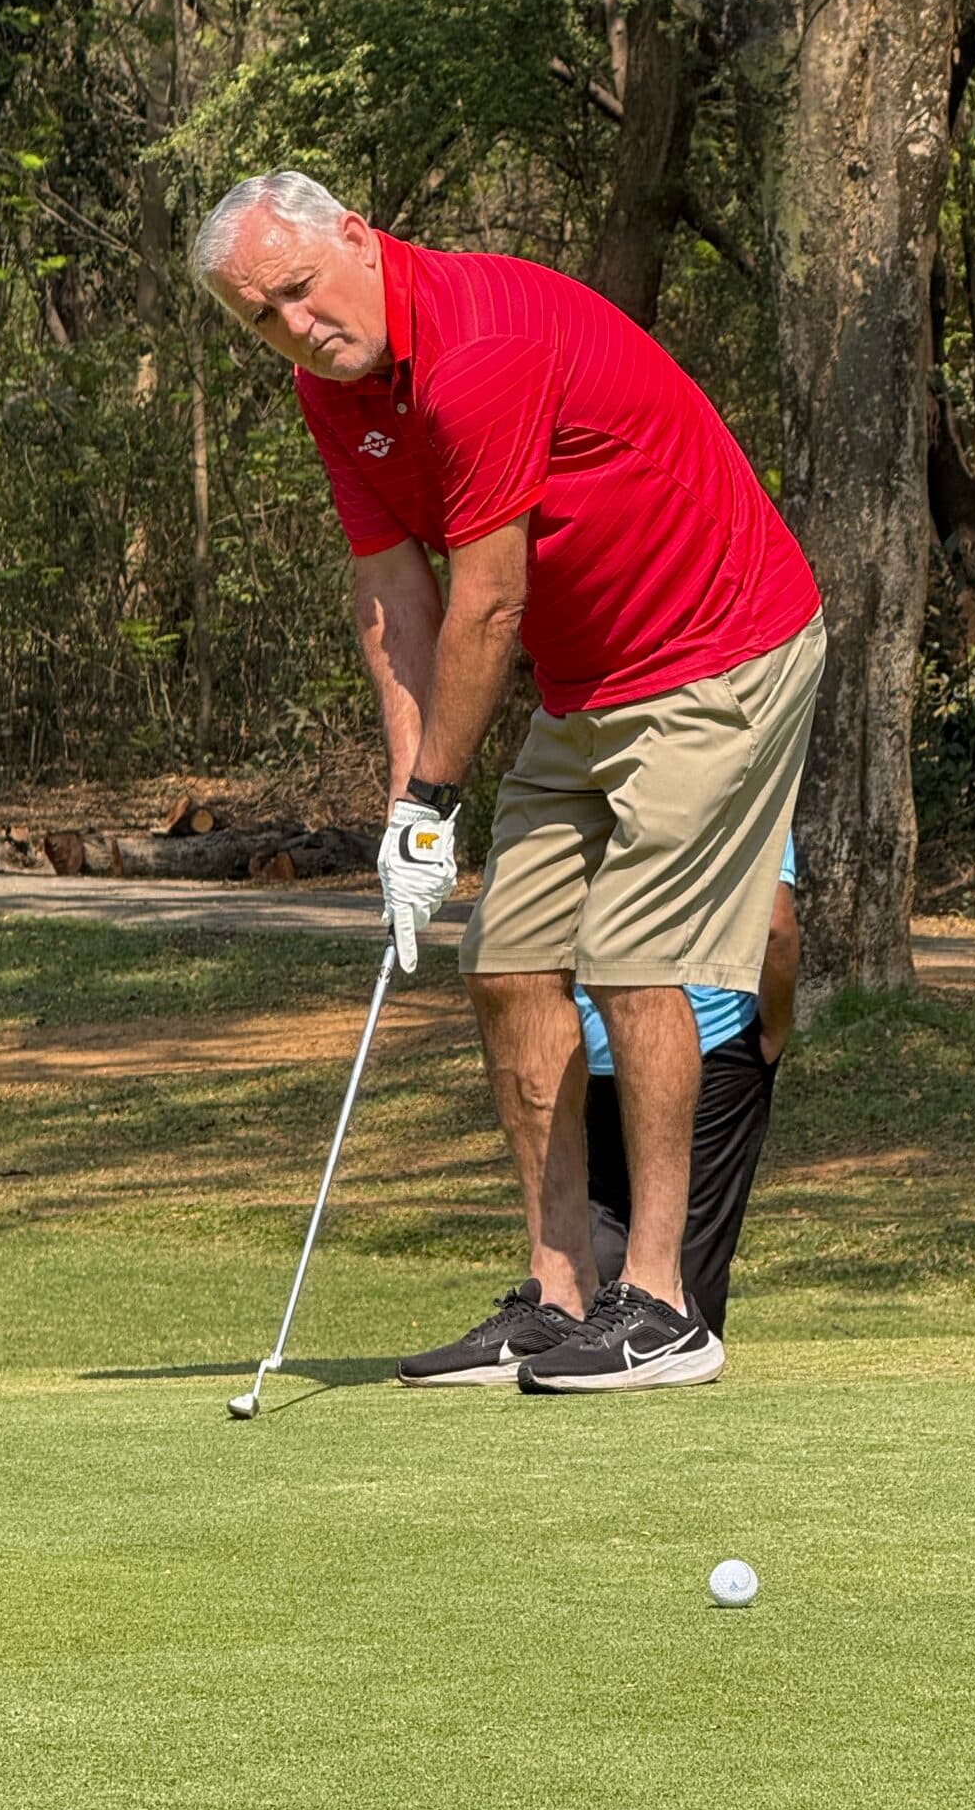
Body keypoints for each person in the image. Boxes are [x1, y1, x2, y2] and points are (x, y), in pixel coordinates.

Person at [194, 170, 824, 1395]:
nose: (297, 327)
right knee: (511, 961)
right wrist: (405, 809)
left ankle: (662, 1305)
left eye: (300, 290)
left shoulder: (480, 342)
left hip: (719, 646)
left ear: (358, 243)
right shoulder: (337, 394)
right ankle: (558, 1294)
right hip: (590, 682)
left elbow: (490, 599)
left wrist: (438, 795)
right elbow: (396, 593)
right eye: (261, 317)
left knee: (638, 959)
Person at [583, 840, 797, 1340]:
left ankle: (591, 1355)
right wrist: (776, 1031)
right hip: (711, 1039)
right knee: (690, 1246)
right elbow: (776, 925)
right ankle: (662, 1359)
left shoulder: (594, 774)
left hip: (602, 1039)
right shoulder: (744, 772)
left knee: (607, 1216)